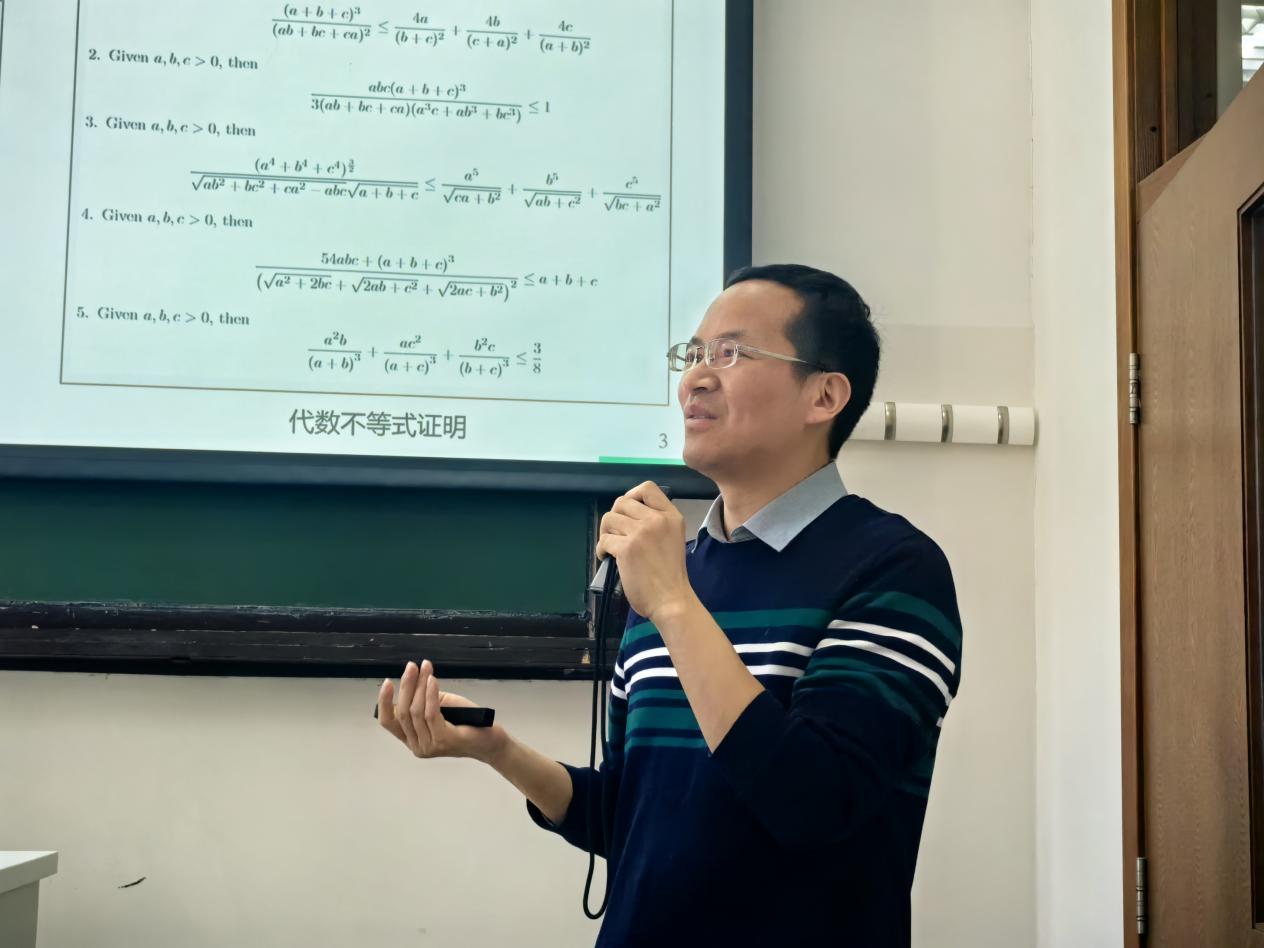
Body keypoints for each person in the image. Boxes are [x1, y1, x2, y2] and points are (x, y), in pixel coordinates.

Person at [376, 264, 963, 947]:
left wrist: (677, 606)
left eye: (731, 353)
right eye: (693, 354)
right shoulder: (669, 576)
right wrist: (498, 751)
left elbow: (813, 802)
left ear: (824, 395)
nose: (695, 379)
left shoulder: (894, 569)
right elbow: (631, 817)